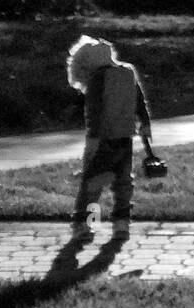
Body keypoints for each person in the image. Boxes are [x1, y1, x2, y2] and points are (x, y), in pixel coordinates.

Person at [66, 36, 154, 245]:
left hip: (102, 138)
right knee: (124, 182)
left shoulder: (98, 78)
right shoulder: (128, 71)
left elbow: (94, 111)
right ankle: (122, 224)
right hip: (125, 136)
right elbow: (139, 100)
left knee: (93, 184)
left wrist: (94, 140)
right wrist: (145, 123)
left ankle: (84, 224)